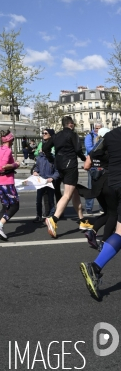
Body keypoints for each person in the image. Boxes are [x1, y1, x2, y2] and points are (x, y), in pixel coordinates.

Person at [79, 123, 121, 300]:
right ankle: (95, 267)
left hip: (115, 183)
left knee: (120, 230)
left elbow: (92, 155)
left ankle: (95, 267)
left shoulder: (110, 135)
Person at [44, 116, 92, 239]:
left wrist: (52, 159)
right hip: (70, 165)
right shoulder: (72, 134)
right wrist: (84, 159)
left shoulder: (56, 135)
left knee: (74, 192)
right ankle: (53, 219)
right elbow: (77, 149)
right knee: (67, 194)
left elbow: (45, 148)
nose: (74, 125)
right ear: (70, 124)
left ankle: (82, 221)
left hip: (60, 165)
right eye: (73, 124)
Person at [77, 128, 117, 251]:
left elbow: (86, 166)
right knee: (114, 214)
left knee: (108, 213)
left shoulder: (94, 150)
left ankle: (92, 231)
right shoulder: (111, 150)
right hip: (109, 182)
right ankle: (105, 241)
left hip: (97, 184)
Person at [0, 130, 20, 241]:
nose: (13, 141)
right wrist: (15, 164)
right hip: (7, 182)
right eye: (12, 139)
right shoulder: (7, 151)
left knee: (5, 206)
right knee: (15, 205)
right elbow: (3, 166)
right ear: (10, 140)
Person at [32, 149, 59, 223]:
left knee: (51, 200)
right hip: (40, 182)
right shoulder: (39, 158)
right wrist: (35, 171)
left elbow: (57, 171)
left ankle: (51, 216)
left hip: (50, 182)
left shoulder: (53, 158)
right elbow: (37, 167)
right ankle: (39, 216)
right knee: (38, 200)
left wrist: (53, 178)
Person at [83, 123, 103, 214]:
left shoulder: (104, 136)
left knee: (102, 186)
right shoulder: (90, 136)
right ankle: (88, 207)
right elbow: (89, 148)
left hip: (102, 163)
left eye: (99, 128)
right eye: (96, 128)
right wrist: (100, 149)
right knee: (91, 186)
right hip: (92, 163)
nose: (97, 129)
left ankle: (102, 207)